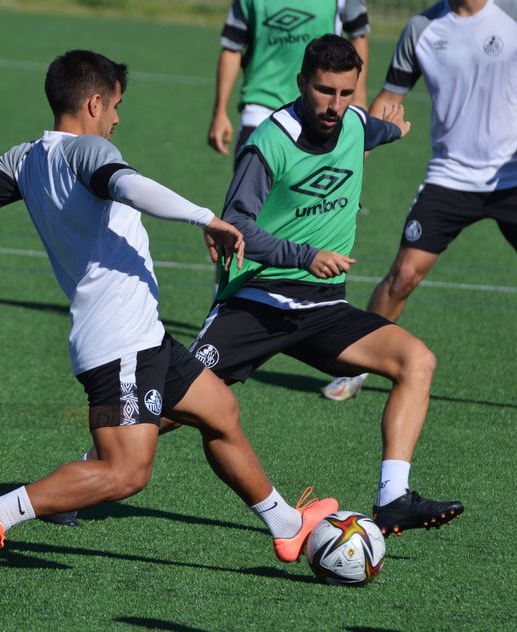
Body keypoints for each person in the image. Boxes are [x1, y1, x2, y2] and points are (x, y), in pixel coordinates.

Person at [0, 49, 339, 575]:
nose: (118, 118)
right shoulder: (87, 152)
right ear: (94, 102)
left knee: (220, 412)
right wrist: (205, 217)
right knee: (126, 474)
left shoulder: (25, 159)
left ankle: (287, 526)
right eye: (115, 106)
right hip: (119, 342)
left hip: (143, 334)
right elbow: (128, 185)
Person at [189, 35, 463, 538]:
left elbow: (376, 127)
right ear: (301, 84)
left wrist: (396, 129)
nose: (334, 105)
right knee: (171, 404)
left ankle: (394, 498)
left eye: (344, 93)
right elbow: (235, 224)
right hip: (258, 303)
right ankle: (89, 472)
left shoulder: (356, 123)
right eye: (323, 92)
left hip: (323, 312)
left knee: (417, 361)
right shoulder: (270, 141)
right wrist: (305, 256)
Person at [323, 0, 517, 401]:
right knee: (403, 276)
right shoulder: (421, 29)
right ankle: (357, 367)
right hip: (450, 178)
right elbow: (389, 97)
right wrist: (355, 156)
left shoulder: (512, 14)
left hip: (510, 176)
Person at [208, 0, 371, 158]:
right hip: (261, 107)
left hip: (318, 111)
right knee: (250, 181)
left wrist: (359, 99)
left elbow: (358, 35)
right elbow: (232, 48)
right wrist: (220, 112)